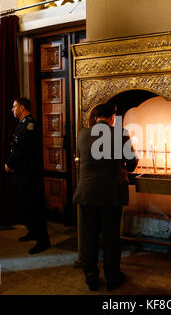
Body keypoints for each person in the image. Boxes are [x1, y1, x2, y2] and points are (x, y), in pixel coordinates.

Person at [73, 102, 138, 291]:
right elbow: (131, 163)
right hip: (111, 194)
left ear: (95, 117)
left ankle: (91, 277)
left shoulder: (82, 134)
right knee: (110, 238)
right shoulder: (121, 134)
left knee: (89, 238)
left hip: (87, 193)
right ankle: (112, 277)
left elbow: (82, 158)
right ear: (112, 117)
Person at [5, 97, 50, 255]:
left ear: (22, 108)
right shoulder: (23, 124)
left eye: (14, 106)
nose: (12, 109)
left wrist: (9, 163)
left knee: (35, 206)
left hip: (29, 173)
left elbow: (22, 148)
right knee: (27, 205)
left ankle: (43, 241)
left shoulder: (30, 124)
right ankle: (33, 232)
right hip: (22, 172)